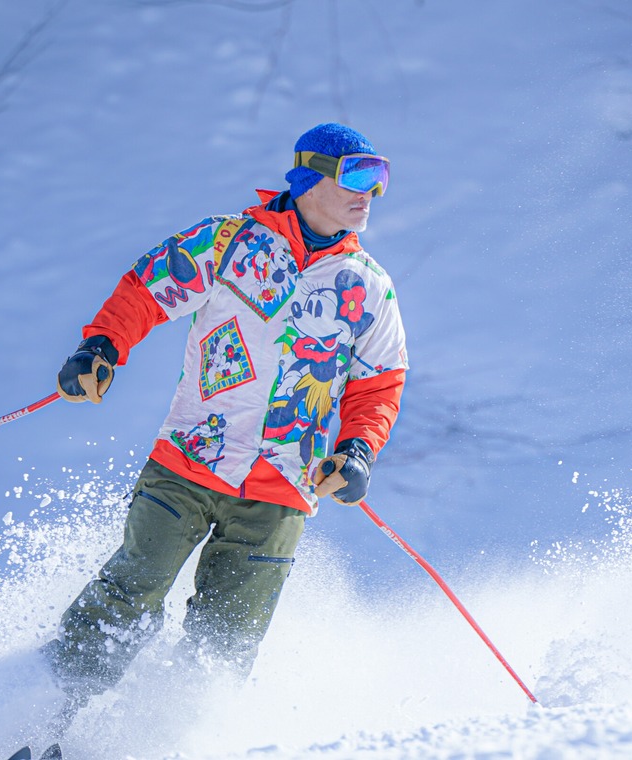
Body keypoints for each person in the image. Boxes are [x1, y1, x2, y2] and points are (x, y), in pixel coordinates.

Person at [33, 123, 408, 755]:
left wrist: (358, 450)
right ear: (309, 177)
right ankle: (42, 722)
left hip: (282, 488)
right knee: (133, 587)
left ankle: (159, 744)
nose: (370, 194)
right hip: (188, 460)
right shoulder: (231, 242)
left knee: (227, 638)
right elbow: (147, 290)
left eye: (381, 180)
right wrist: (102, 345)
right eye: (358, 176)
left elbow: (379, 385)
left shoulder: (368, 286)